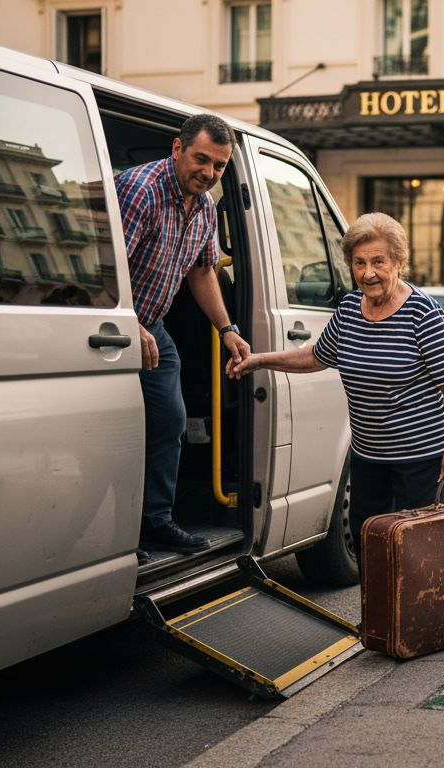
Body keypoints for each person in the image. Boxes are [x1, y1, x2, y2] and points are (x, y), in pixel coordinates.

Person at [235, 212, 444, 549]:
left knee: (417, 549)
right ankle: (377, 605)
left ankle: (415, 606)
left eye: (378, 261)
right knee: (367, 541)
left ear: (399, 262)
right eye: (359, 263)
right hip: (368, 456)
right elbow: (316, 356)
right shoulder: (348, 310)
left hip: (419, 459)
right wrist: (260, 360)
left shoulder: (423, 313)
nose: (368, 273)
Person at [115, 113, 251, 558]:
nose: (209, 173)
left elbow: (201, 270)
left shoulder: (206, 206)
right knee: (117, 432)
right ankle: (114, 538)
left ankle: (155, 521)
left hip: (152, 327)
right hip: (110, 328)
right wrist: (126, 322)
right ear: (177, 149)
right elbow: (102, 269)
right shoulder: (142, 190)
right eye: (201, 160)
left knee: (170, 422)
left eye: (219, 167)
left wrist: (226, 329)